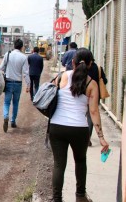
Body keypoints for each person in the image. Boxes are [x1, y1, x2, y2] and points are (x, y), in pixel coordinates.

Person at [49, 48, 110, 202]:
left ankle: (57, 199)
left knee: (59, 165)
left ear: (73, 63)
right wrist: (101, 138)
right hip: (79, 129)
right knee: (80, 161)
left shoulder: (61, 76)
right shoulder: (92, 84)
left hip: (57, 126)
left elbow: (50, 92)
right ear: (90, 65)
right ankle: (80, 196)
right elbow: (94, 112)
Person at [0, 39, 30, 132]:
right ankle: (13, 121)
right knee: (16, 103)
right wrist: (28, 85)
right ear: (21, 47)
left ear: (14, 45)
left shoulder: (7, 54)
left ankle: (5, 116)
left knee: (6, 102)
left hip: (8, 82)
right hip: (18, 83)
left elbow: (1, 68)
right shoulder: (24, 57)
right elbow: (25, 73)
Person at [86, 54, 108, 146]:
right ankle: (87, 139)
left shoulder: (82, 68)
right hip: (95, 96)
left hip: (83, 95)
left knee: (84, 116)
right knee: (91, 117)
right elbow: (105, 81)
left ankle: (83, 137)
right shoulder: (98, 68)